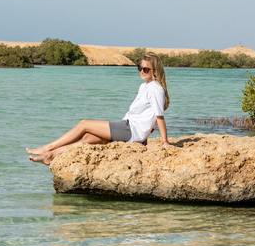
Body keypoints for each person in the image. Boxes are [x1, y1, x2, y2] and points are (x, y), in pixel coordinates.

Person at [27, 52, 171, 165]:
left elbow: (159, 117)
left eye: (146, 69)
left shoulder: (155, 89)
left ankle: (48, 147)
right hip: (130, 130)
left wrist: (165, 142)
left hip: (131, 130)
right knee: (88, 138)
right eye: (140, 68)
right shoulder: (144, 86)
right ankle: (50, 155)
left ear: (155, 70)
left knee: (84, 124)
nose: (142, 71)